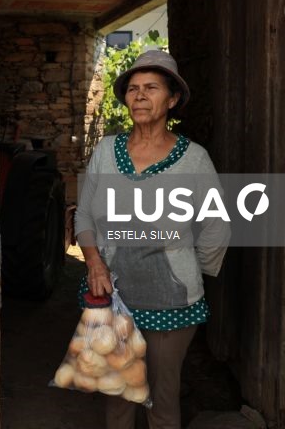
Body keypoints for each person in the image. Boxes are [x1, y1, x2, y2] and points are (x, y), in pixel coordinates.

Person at [75, 50, 229, 429]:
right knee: (118, 399)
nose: (139, 96)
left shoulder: (194, 160)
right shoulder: (106, 152)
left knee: (160, 404)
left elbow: (217, 226)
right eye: (133, 89)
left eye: (151, 88)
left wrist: (188, 273)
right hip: (115, 298)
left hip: (172, 304)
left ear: (172, 99)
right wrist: (94, 261)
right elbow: (84, 215)